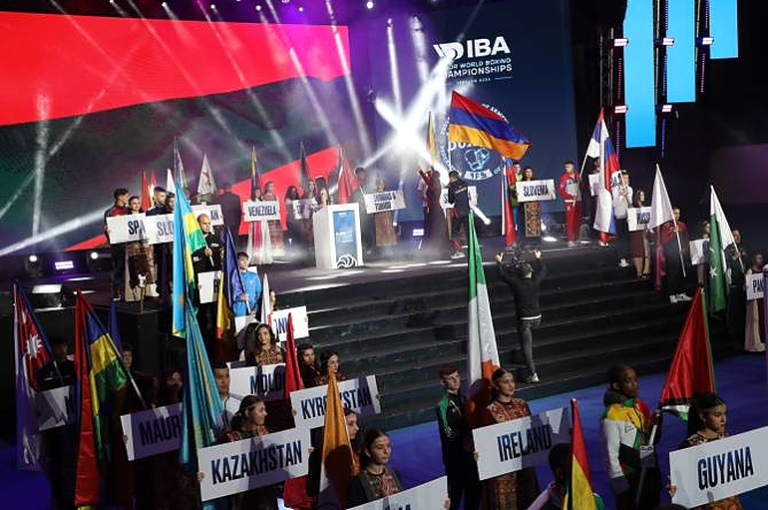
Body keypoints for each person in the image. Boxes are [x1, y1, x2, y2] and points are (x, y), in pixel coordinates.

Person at [600, 364, 661, 510]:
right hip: (629, 477)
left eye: (635, 379)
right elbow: (610, 456)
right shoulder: (611, 415)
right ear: (616, 385)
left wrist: (656, 425)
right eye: (628, 381)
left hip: (648, 471)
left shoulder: (641, 406)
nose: (635, 385)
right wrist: (622, 489)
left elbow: (651, 440)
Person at [480, 368, 539, 510]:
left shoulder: (522, 404)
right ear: (496, 385)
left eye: (512, 381)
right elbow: (486, 443)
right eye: (506, 382)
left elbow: (533, 430)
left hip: (525, 466)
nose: (511, 385)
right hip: (504, 472)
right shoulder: (489, 411)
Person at [675, 393, 742, 510]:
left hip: (731, 504)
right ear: (702, 416)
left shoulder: (726, 438)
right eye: (717, 415)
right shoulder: (689, 446)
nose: (723, 419)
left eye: (724, 414)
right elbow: (685, 485)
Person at [36, 337, 77, 510]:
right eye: (56, 348)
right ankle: (58, 496)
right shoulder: (43, 372)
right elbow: (41, 395)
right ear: (51, 349)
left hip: (72, 422)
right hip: (53, 425)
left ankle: (74, 494)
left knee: (72, 460)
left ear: (67, 347)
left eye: (63, 347)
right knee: (56, 461)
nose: (60, 350)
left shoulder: (74, 368)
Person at [496, 249, 547, 383]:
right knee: (527, 342)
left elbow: (502, 275)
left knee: (527, 348)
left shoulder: (516, 283)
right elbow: (543, 270)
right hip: (538, 317)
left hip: (525, 320)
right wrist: (538, 258)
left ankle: (533, 374)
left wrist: (498, 262)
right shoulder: (535, 281)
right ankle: (531, 369)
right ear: (530, 272)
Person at [218, 396, 279, 510]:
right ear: (247, 413)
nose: (265, 413)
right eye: (261, 410)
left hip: (267, 501)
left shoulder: (268, 434)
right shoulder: (228, 440)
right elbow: (218, 470)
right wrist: (204, 476)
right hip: (243, 502)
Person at [436, 365, 480, 510]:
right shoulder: (442, 405)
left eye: (457, 376)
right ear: (443, 382)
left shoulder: (464, 398)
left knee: (473, 494)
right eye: (451, 378)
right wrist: (466, 425)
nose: (456, 381)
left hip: (470, 456)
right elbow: (448, 433)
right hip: (455, 459)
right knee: (455, 497)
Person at [527, 443, 605, 510]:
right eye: (575, 468)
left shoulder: (594, 501)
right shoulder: (542, 506)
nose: (581, 473)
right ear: (559, 473)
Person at [346, 429, 403, 506]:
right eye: (380, 448)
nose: (386, 451)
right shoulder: (357, 484)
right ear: (368, 452)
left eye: (388, 446)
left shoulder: (394, 474)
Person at [124, 196, 156, 300]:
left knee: (147, 267)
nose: (137, 205)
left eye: (138, 203)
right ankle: (136, 294)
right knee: (135, 268)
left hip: (145, 246)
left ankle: (148, 292)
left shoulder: (145, 216)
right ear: (129, 205)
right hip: (133, 247)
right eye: (134, 203)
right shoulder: (125, 218)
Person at [418, 167, 452, 257]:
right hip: (437, 207)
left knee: (431, 227)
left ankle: (433, 246)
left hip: (433, 208)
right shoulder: (438, 183)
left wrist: (421, 171)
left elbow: (426, 180)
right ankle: (441, 246)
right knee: (439, 227)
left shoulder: (432, 185)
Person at [660, 207, 691, 303]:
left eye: (678, 213)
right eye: (675, 213)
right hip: (671, 253)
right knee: (672, 274)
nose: (677, 215)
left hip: (680, 252)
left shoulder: (682, 225)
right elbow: (663, 240)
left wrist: (685, 249)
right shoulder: (666, 226)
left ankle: (681, 293)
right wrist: (672, 232)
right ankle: (672, 294)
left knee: (680, 273)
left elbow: (686, 239)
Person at [105, 188, 131, 301]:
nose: (127, 198)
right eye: (126, 196)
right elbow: (107, 229)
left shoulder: (129, 210)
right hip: (118, 246)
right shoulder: (111, 212)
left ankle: (129, 291)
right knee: (119, 268)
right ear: (120, 197)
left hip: (130, 244)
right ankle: (117, 291)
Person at [212, 361, 242, 435]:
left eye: (227, 376)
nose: (224, 381)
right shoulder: (206, 408)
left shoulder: (241, 402)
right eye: (219, 377)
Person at [352, 167, 376, 255]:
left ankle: (370, 248)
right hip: (359, 213)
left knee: (369, 230)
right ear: (357, 175)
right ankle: (363, 247)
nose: (364, 176)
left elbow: (372, 196)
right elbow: (354, 198)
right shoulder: (354, 187)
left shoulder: (367, 186)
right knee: (362, 231)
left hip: (368, 212)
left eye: (364, 174)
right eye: (362, 174)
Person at [612, 171, 633, 267]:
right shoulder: (615, 189)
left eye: (627, 178)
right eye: (624, 178)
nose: (626, 180)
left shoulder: (630, 189)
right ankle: (622, 258)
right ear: (620, 179)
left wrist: (627, 194)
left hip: (628, 217)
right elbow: (614, 204)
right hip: (619, 216)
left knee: (628, 238)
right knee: (621, 239)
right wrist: (621, 195)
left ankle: (628, 256)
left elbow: (631, 202)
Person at [745, 252, 765, 352]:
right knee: (754, 321)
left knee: (762, 320)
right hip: (753, 301)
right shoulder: (750, 271)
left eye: (761, 258)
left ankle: (763, 340)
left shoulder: (763, 271)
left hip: (762, 299)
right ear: (754, 259)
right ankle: (754, 343)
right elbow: (746, 286)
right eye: (758, 258)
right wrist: (747, 287)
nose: (760, 260)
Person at [558, 161, 581, 247]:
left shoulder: (577, 175)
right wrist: (569, 196)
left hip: (578, 200)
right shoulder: (564, 178)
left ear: (573, 167)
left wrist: (580, 181)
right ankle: (570, 240)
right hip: (569, 202)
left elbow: (582, 187)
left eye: (569, 167)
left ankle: (577, 238)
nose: (567, 168)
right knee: (570, 221)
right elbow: (561, 191)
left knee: (577, 220)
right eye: (566, 167)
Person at [447, 170, 470, 257]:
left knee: (454, 232)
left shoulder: (451, 187)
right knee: (469, 231)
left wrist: (450, 187)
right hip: (467, 210)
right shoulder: (465, 183)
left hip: (458, 212)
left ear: (451, 178)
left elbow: (450, 201)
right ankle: (473, 249)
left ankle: (459, 251)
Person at [629, 190, 650, 279]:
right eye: (641, 195)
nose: (643, 196)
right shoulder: (632, 207)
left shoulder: (645, 207)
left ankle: (646, 270)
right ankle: (639, 271)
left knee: (645, 251)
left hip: (644, 232)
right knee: (637, 251)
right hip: (635, 232)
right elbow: (629, 217)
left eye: (643, 194)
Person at [232, 252, 261, 318]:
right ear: (237, 261)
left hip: (252, 311)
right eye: (242, 260)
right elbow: (230, 294)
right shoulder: (234, 277)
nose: (245, 262)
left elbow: (258, 294)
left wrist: (255, 308)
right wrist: (240, 297)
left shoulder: (254, 276)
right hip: (239, 311)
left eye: (246, 259)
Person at [374, 177, 397, 254]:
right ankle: (382, 250)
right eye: (378, 184)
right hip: (379, 216)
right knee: (380, 231)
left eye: (382, 183)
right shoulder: (374, 195)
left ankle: (389, 250)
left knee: (388, 230)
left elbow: (394, 202)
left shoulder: (388, 194)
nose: (380, 185)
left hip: (387, 215)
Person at [520, 167, 542, 247]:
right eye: (527, 172)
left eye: (530, 172)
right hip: (525, 206)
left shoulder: (536, 182)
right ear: (524, 173)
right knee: (526, 224)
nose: (528, 173)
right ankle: (527, 242)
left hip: (535, 205)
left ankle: (536, 241)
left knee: (535, 223)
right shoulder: (521, 183)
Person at [262, 181, 285, 256]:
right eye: (270, 186)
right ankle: (271, 251)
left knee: (277, 235)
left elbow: (277, 207)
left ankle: (277, 250)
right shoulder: (264, 197)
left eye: (272, 186)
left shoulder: (275, 196)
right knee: (271, 235)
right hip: (268, 220)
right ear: (267, 187)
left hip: (275, 219)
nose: (271, 188)